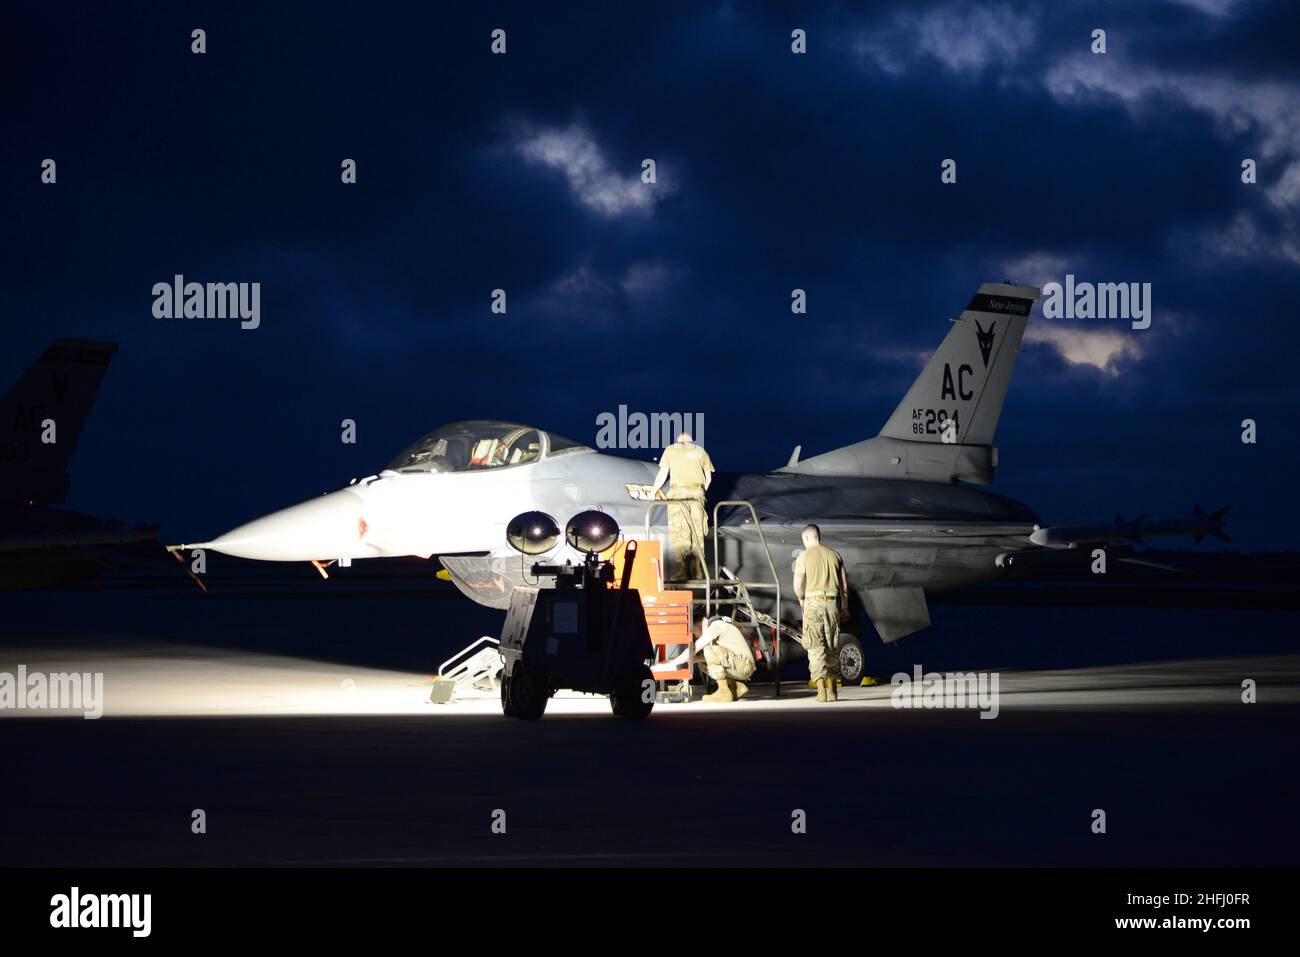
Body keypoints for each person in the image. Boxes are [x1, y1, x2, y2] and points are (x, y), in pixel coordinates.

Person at [793, 524, 849, 702]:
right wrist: (845, 607)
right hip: (832, 604)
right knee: (832, 646)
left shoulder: (803, 556)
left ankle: (821, 691)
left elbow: (797, 587)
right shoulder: (835, 555)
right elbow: (844, 587)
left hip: (812, 604)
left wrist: (802, 601)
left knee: (815, 647)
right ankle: (833, 690)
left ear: (807, 538)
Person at [649, 433, 714, 582]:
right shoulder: (700, 451)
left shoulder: (671, 450)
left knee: (680, 531)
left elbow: (663, 473)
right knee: (697, 531)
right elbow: (708, 479)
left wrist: (653, 491)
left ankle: (685, 570)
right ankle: (698, 571)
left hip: (678, 493)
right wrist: (699, 491)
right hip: (698, 493)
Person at [696, 617, 757, 703]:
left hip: (744, 665)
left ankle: (723, 692)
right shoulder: (719, 626)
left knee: (709, 649)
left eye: (694, 632)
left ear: (700, 625)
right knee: (702, 663)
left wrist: (674, 663)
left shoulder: (717, 625)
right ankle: (735, 688)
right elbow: (717, 657)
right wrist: (695, 659)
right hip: (742, 665)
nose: (695, 636)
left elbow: (697, 647)